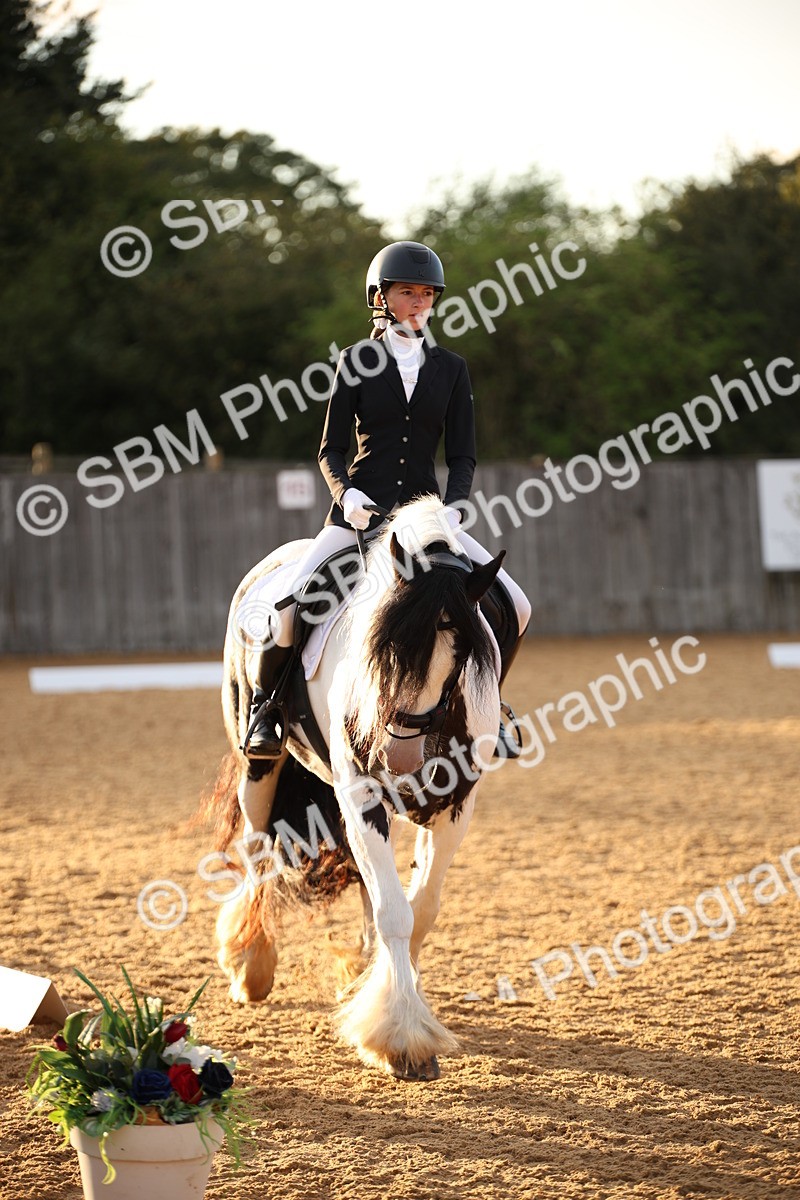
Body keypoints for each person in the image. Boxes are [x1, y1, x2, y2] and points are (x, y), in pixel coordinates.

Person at [243, 240, 531, 759]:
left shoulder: (452, 368)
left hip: (428, 517)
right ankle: (266, 709)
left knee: (519, 605)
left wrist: (456, 505)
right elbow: (329, 449)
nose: (419, 302)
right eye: (407, 293)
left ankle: (494, 705)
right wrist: (346, 494)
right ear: (381, 298)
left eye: (427, 294)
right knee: (287, 610)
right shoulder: (354, 361)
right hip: (357, 514)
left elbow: (462, 455)